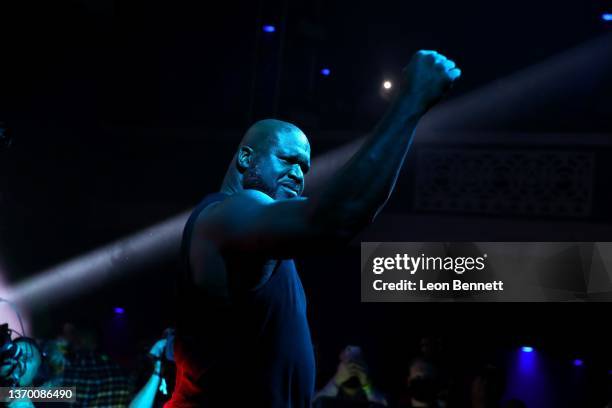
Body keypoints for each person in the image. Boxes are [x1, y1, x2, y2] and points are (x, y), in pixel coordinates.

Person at [167, 50, 461, 407]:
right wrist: (411, 100)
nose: (299, 174)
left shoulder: (259, 232)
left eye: (305, 168)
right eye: (288, 160)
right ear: (247, 158)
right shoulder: (228, 213)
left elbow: (345, 211)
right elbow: (338, 217)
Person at [313, 345, 387, 407]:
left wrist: (366, 384)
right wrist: (336, 381)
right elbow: (311, 403)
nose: (353, 366)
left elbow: (383, 404)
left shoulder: (374, 390)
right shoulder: (322, 382)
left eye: (357, 361)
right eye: (348, 351)